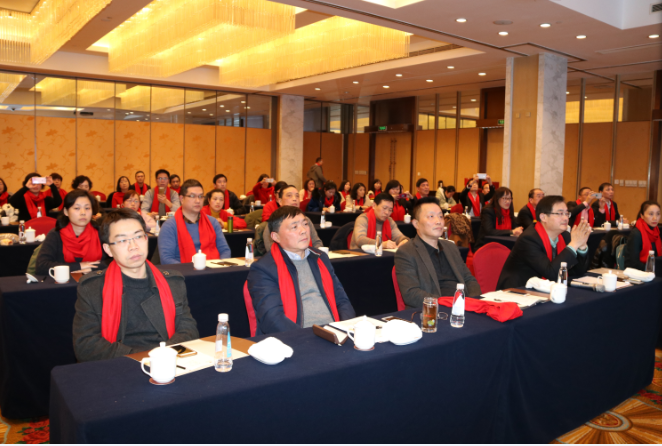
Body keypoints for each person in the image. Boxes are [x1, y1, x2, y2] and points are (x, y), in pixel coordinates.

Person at [72, 208, 199, 362]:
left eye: (138, 236)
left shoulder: (172, 282)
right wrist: (143, 358)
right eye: (122, 240)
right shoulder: (92, 288)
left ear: (146, 239)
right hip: (120, 366)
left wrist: (162, 356)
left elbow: (189, 331)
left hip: (168, 362)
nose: (133, 246)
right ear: (108, 249)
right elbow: (86, 346)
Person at [247, 206, 355, 335]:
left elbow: (342, 301)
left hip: (334, 333)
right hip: (298, 337)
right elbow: (271, 319)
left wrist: (343, 329)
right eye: (294, 227)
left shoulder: (320, 258)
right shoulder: (264, 269)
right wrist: (308, 338)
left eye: (305, 224)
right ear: (276, 236)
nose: (303, 230)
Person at [395, 198, 481, 309]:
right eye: (431, 216)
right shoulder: (407, 252)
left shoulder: (451, 247)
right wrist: (449, 303)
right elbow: (411, 294)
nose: (438, 221)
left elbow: (469, 279)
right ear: (416, 223)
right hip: (433, 311)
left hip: (463, 308)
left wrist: (473, 302)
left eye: (440, 216)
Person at [496, 196, 591, 289]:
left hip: (544, 289)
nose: (565, 218)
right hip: (518, 290)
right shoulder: (529, 239)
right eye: (560, 213)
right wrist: (574, 244)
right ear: (543, 217)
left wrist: (582, 247)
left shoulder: (565, 236)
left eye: (567, 213)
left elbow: (577, 272)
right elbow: (551, 273)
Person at [36, 190, 108, 276]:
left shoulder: (100, 232)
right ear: (66, 212)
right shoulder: (56, 234)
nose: (83, 213)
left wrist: (91, 268)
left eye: (87, 208)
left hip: (95, 281)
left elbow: (115, 261)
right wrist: (79, 266)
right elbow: (41, 266)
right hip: (64, 282)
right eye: (77, 208)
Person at [158, 179, 230, 264]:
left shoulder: (212, 222)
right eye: (192, 196)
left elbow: (225, 251)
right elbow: (166, 259)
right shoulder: (170, 226)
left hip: (214, 268)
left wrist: (218, 266)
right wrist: (193, 268)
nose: (198, 201)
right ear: (182, 198)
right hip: (183, 270)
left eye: (200, 196)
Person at [261, 185, 323, 253]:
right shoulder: (274, 222)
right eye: (289, 196)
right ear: (280, 201)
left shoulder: (306, 220)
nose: (294, 199)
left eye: (297, 196)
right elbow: (271, 250)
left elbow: (317, 242)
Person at [624, 201, 660, 270]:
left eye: (658, 214)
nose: (655, 218)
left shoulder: (657, 231)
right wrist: (652, 270)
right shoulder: (636, 234)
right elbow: (632, 263)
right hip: (639, 272)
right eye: (651, 214)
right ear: (642, 215)